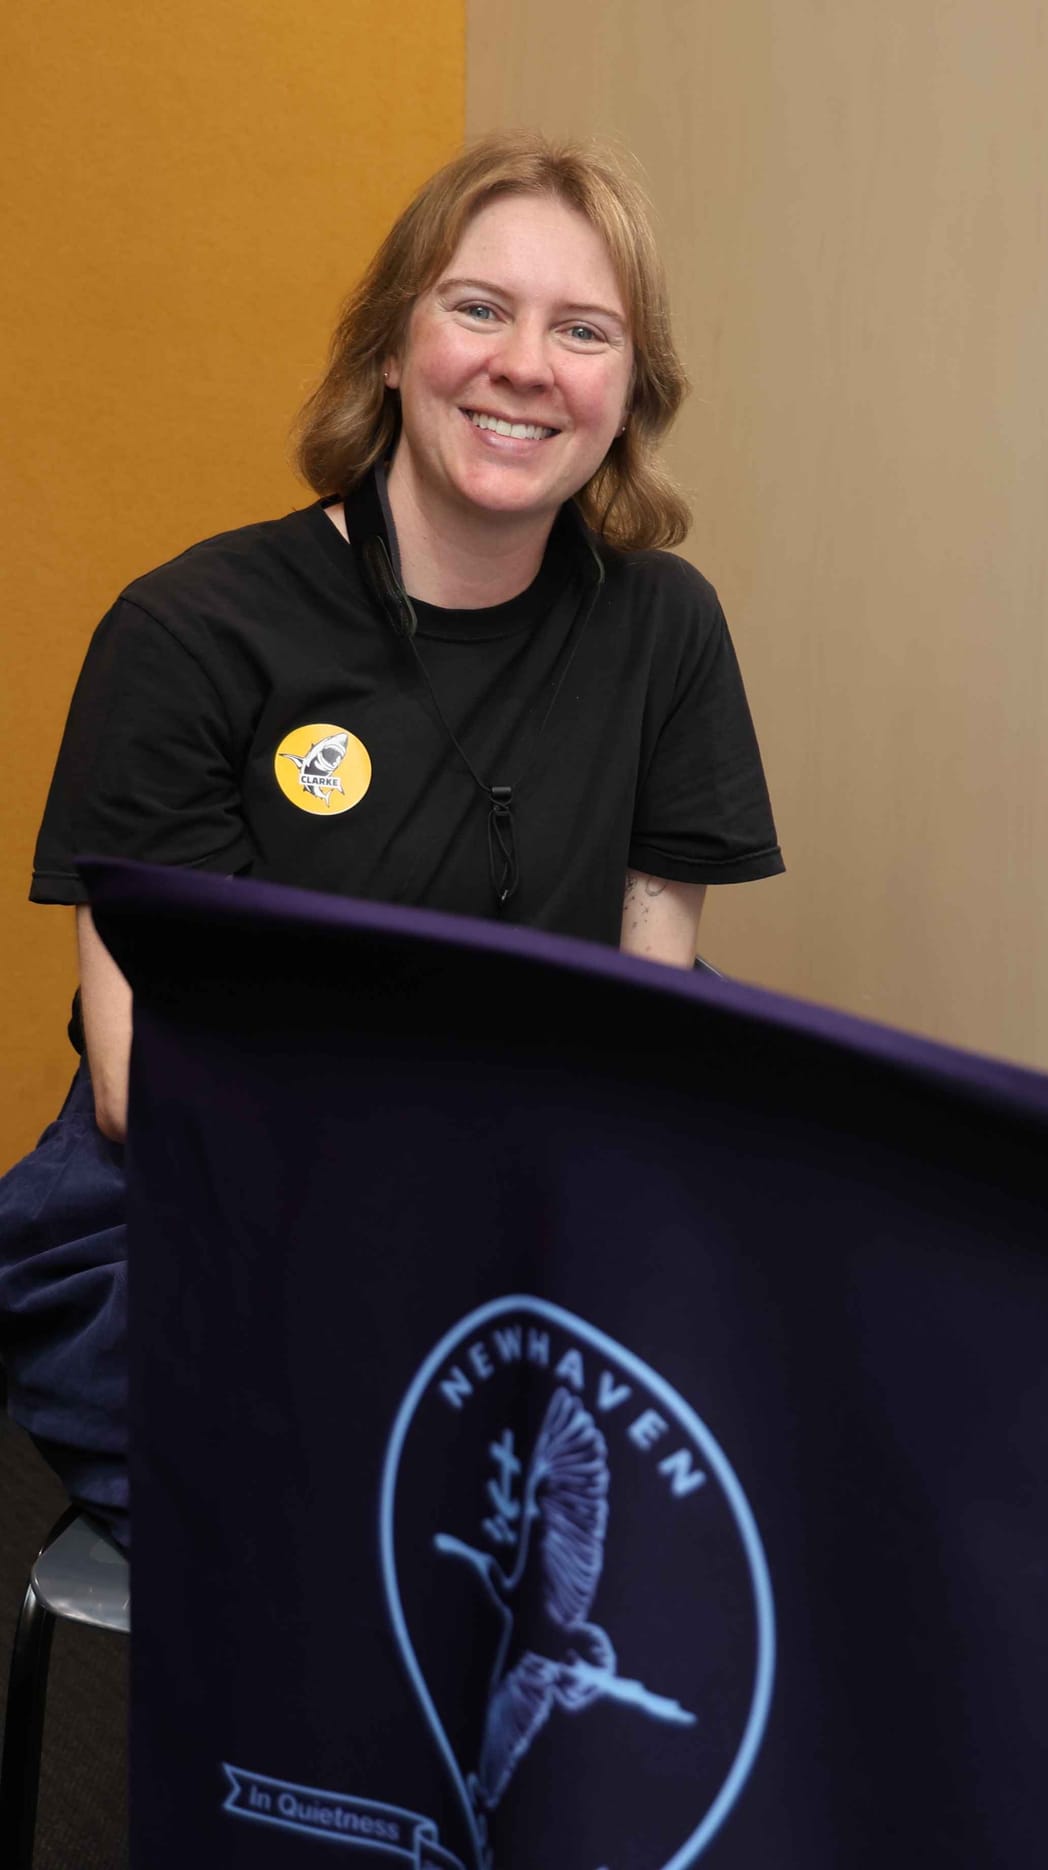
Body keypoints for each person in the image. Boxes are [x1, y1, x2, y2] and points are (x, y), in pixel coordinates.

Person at [2, 131, 784, 1546]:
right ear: (387, 348)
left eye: (584, 331)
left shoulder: (668, 629)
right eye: (478, 308)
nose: (526, 365)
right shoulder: (189, 632)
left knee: (749, 1463)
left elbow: (647, 1005)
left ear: (630, 395)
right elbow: (140, 1080)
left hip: (531, 1209)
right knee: (408, 1501)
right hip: (201, 1205)